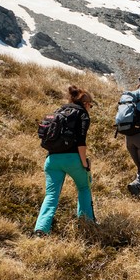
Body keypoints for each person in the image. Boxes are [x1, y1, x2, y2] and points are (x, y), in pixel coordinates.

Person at [33, 85, 95, 235]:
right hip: (73, 159)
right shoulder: (82, 115)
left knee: (51, 195)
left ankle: (41, 229)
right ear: (86, 104)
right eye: (91, 105)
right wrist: (85, 163)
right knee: (84, 187)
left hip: (52, 159)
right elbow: (81, 142)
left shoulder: (59, 112)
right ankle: (86, 224)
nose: (91, 108)